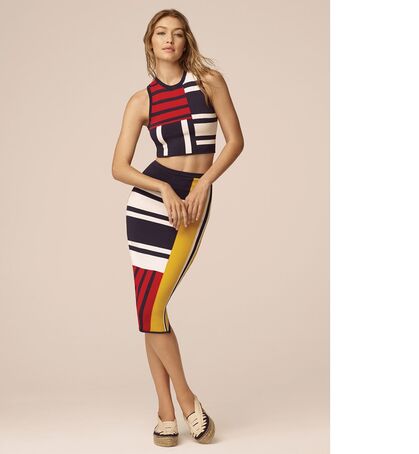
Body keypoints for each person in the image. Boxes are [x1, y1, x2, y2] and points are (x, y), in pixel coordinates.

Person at [111, 9, 244, 447]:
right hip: (151, 205)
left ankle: (180, 404)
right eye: (161, 33)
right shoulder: (141, 101)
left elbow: (235, 141)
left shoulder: (208, 83)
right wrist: (163, 189)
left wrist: (203, 184)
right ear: (149, 42)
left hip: (193, 200)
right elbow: (119, 167)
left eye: (178, 33)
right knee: (150, 309)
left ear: (187, 41)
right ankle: (174, 408)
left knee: (154, 307)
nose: (169, 39)